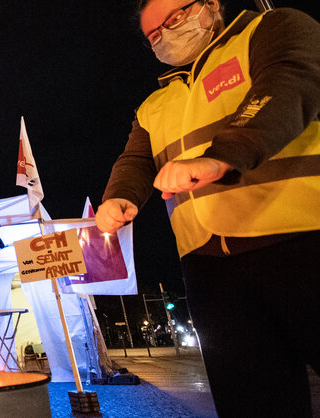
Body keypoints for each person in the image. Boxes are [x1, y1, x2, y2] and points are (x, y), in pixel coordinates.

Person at [95, 1, 320, 416]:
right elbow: (136, 161)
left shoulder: (271, 29)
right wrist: (118, 197)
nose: (165, 35)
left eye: (173, 18)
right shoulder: (155, 104)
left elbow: (289, 83)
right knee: (253, 399)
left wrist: (222, 156)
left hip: (299, 239)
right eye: (154, 35)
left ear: (210, 6)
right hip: (210, 265)